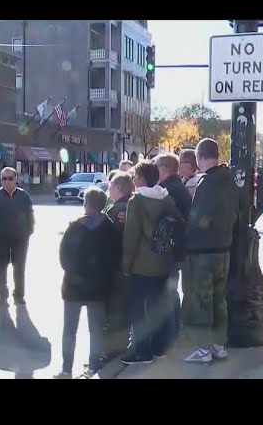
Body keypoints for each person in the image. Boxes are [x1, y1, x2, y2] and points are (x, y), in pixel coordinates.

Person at [54, 188, 120, 379]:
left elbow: (63, 257)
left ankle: (66, 370)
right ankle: (92, 367)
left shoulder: (75, 226)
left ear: (86, 203)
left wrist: (73, 272)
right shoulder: (110, 229)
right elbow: (114, 259)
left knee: (69, 330)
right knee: (96, 330)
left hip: (73, 286)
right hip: (98, 288)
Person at [183, 138, 236, 363]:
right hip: (224, 248)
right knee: (219, 299)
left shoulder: (206, 182)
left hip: (204, 251)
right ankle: (218, 345)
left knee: (203, 300)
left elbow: (200, 219)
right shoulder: (229, 180)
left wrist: (187, 238)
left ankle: (204, 348)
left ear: (200, 157)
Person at [121, 161, 176, 365]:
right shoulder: (165, 197)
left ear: (141, 179)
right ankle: (159, 347)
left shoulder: (136, 201)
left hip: (141, 265)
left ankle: (142, 351)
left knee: (138, 310)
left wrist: (126, 266)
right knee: (157, 308)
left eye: (135, 176)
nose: (133, 180)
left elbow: (131, 237)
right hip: (163, 261)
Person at [154, 153, 191, 345]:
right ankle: (175, 330)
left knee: (168, 292)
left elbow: (168, 219)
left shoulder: (168, 189)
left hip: (172, 248)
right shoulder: (178, 186)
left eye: (157, 167)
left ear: (165, 168)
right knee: (172, 291)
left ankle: (171, 334)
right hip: (178, 247)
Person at [0, 167, 35, 306]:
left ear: (16, 179)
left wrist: (29, 231)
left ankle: (19, 295)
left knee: (19, 267)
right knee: (1, 267)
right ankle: (2, 294)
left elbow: (30, 215)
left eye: (10, 178)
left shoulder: (23, 195)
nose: (7, 181)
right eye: (4, 178)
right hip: (0, 239)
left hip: (20, 238)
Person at [104, 171, 135, 359]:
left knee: (116, 310)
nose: (109, 191)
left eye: (110, 187)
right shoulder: (133, 205)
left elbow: (112, 240)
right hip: (130, 265)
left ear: (117, 188)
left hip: (117, 266)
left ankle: (116, 348)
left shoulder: (116, 210)